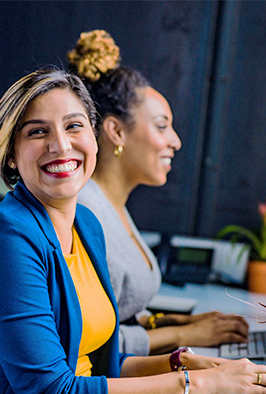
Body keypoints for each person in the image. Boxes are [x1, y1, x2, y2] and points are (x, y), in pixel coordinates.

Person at [0, 68, 266, 394]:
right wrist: (194, 383)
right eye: (37, 132)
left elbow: (97, 369)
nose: (61, 144)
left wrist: (180, 363)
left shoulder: (86, 224)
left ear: (94, 138)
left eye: (74, 126)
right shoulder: (5, 239)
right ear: (11, 154)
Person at [69, 30, 249, 356]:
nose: (175, 141)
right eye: (162, 126)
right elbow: (87, 344)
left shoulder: (113, 206)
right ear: (116, 131)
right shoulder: (85, 212)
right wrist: (184, 335)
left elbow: (120, 314)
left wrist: (177, 323)